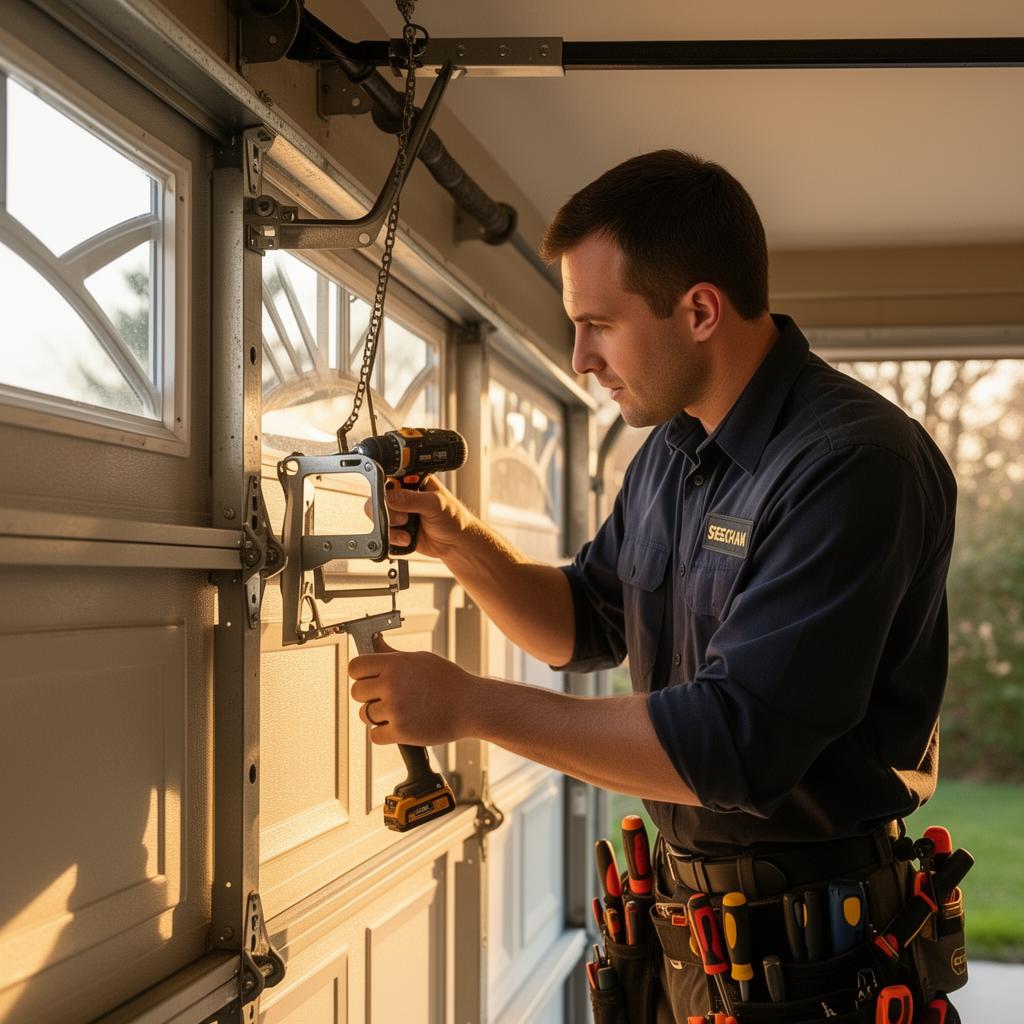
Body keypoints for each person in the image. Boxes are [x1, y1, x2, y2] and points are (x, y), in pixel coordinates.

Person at [348, 150, 958, 1020]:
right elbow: (585, 624)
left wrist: (470, 707)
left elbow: (733, 744)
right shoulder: (670, 456)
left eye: (598, 324)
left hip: (822, 970)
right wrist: (457, 539)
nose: (580, 356)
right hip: (685, 946)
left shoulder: (853, 464)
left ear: (699, 309)